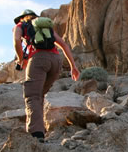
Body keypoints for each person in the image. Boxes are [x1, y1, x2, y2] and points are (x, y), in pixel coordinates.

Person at [13, 9, 80, 141]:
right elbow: (64, 45)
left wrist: (21, 59)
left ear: (22, 18)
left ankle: (35, 135)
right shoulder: (46, 28)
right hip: (56, 61)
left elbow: (16, 40)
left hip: (38, 59)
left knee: (32, 96)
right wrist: (73, 67)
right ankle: (40, 129)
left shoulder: (20, 26)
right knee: (39, 95)